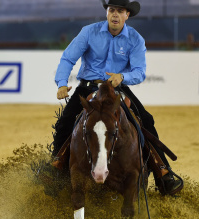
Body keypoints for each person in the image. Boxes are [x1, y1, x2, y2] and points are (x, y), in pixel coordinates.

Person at [51, 0, 183, 196]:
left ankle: (162, 172)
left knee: (146, 120)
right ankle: (56, 165)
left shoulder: (135, 40)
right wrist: (62, 83)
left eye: (120, 11)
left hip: (117, 89)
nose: (115, 14)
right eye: (112, 10)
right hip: (88, 86)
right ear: (107, 13)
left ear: (127, 15)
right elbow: (68, 58)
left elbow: (139, 72)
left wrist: (122, 77)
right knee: (65, 123)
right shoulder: (89, 32)